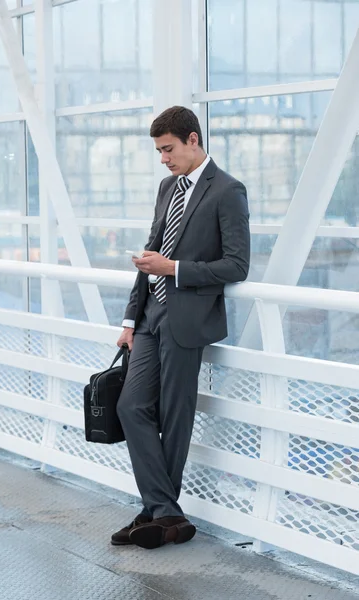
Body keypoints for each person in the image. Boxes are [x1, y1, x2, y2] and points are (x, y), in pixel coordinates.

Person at [112, 106, 250, 550]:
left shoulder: (228, 190)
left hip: (187, 319)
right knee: (130, 406)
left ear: (193, 139)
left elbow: (237, 265)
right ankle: (166, 511)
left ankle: (154, 514)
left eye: (168, 149)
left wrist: (173, 268)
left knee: (175, 417)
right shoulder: (167, 187)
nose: (163, 159)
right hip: (150, 318)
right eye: (158, 151)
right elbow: (151, 251)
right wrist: (130, 319)